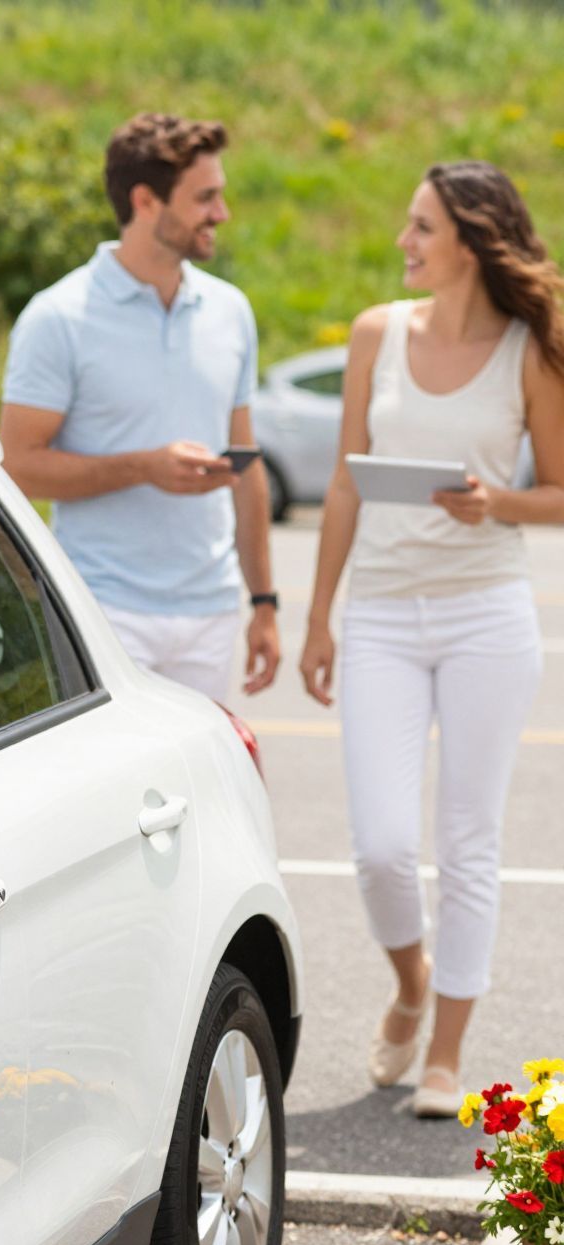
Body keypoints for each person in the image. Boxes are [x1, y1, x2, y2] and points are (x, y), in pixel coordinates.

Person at [299, 160, 564, 1117]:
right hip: (379, 614)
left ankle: (446, 1051)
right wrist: (319, 616)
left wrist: (497, 502)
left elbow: (561, 493)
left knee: (468, 841)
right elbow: (341, 483)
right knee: (378, 845)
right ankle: (411, 983)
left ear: (471, 241)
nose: (404, 242)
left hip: (486, 614)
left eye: (421, 227)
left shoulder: (530, 349)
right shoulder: (377, 333)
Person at [0, 111, 279, 705]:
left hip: (212, 611)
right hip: (104, 609)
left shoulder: (231, 311)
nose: (221, 214)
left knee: (202, 795)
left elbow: (246, 469)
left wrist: (263, 602)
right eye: (205, 198)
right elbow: (21, 467)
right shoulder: (58, 318)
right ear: (146, 200)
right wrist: (143, 467)